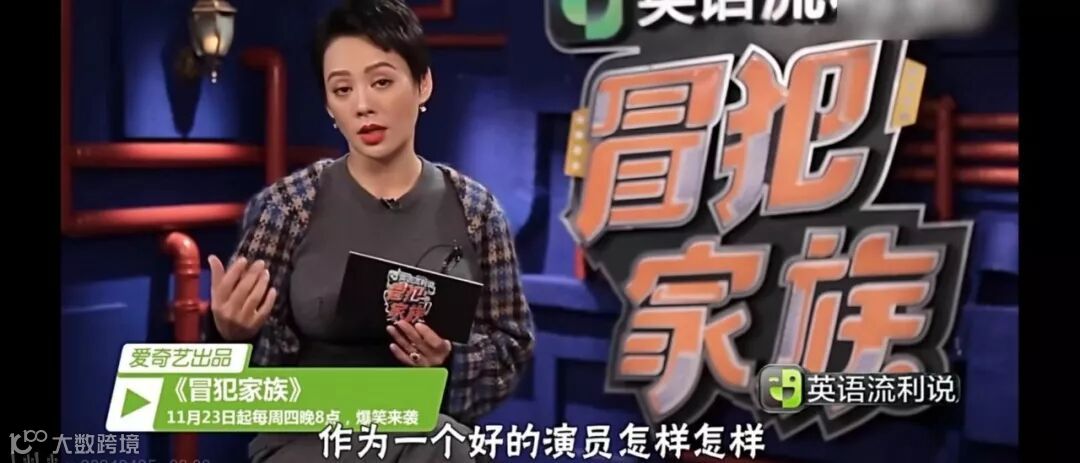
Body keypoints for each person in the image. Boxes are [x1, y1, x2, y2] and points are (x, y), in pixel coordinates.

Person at [203, 0, 535, 460]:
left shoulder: (477, 211)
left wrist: (448, 362)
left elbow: (511, 347)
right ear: (328, 105)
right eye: (342, 89)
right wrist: (231, 333)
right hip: (308, 434)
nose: (363, 106)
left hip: (425, 434)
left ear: (423, 84)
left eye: (381, 82)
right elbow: (249, 379)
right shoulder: (287, 206)